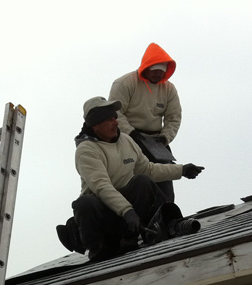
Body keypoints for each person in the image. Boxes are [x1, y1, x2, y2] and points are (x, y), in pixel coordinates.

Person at [56, 96, 203, 262]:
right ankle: (99, 250)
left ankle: (130, 238)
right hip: (105, 215)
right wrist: (127, 211)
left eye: (115, 117)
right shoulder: (86, 150)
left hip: (128, 215)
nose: (116, 122)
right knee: (85, 203)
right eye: (109, 119)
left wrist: (181, 170)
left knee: (142, 181)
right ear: (95, 124)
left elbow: (149, 170)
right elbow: (102, 186)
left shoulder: (126, 141)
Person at [109, 42, 181, 201]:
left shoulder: (169, 89)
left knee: (165, 182)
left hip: (157, 142)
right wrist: (131, 134)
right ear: (145, 68)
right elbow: (116, 113)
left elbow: (173, 117)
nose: (158, 75)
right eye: (154, 71)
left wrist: (165, 137)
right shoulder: (125, 83)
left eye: (161, 72)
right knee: (132, 181)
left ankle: (167, 211)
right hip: (127, 140)